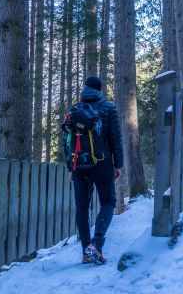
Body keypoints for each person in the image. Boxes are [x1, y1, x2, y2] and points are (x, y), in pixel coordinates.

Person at [70, 76, 123, 264]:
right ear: (99, 89)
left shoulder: (74, 110)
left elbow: (67, 141)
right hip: (103, 164)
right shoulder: (108, 108)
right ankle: (96, 244)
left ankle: (86, 251)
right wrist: (118, 165)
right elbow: (115, 139)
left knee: (82, 208)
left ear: (85, 89)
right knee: (108, 202)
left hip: (79, 166)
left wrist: (71, 166)